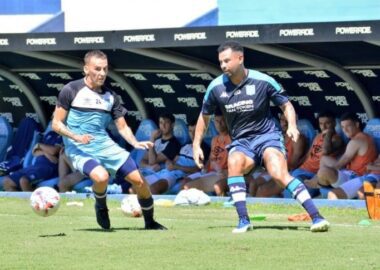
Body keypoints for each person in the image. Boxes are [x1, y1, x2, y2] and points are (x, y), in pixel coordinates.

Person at [192, 41, 329, 233]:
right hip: (241, 142)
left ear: (240, 58)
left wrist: (291, 125)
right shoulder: (215, 87)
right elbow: (204, 116)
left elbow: (286, 105)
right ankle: (244, 221)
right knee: (234, 162)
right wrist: (197, 144)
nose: (223, 66)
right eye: (220, 62)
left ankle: (317, 217)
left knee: (278, 173)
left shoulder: (263, 81)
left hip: (267, 137)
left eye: (227, 61)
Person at [52, 50, 166, 230]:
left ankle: (150, 222)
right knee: (101, 177)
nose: (102, 73)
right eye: (97, 69)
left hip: (105, 145)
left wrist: (135, 142)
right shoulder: (71, 90)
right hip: (78, 147)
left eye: (105, 69)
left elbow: (122, 127)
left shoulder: (111, 96)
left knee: (140, 182)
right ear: (86, 69)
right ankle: (101, 205)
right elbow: (56, 124)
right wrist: (75, 137)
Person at [306, 112, 378, 192]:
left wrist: (318, 177)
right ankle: (320, 181)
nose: (345, 130)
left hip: (355, 176)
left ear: (357, 125)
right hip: (351, 171)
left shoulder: (356, 141)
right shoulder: (365, 136)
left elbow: (339, 165)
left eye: (348, 126)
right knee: (324, 159)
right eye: (343, 127)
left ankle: (319, 183)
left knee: (324, 172)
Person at [285, 111, 345, 197]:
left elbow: (325, 150)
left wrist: (329, 133)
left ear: (334, 123)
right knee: (289, 185)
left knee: (298, 189)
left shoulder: (337, 140)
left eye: (327, 123)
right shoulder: (317, 136)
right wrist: (294, 168)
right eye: (321, 124)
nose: (323, 127)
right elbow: (307, 156)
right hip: (302, 171)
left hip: (316, 175)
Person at [143, 118, 210, 194]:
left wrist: (177, 167)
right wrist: (168, 162)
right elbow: (174, 160)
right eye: (190, 131)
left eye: (195, 131)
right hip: (166, 171)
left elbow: (198, 169)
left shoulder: (204, 148)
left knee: (154, 189)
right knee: (136, 187)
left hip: (178, 174)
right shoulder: (185, 145)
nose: (192, 134)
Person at [248, 113, 308, 197]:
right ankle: (252, 209)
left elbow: (294, 164)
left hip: (287, 172)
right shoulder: (279, 136)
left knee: (262, 191)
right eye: (282, 120)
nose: (284, 123)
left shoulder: (297, 138)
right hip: (275, 170)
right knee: (253, 184)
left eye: (286, 120)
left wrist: (275, 165)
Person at [181, 114, 231, 195]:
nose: (219, 123)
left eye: (222, 121)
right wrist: (205, 168)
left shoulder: (232, 138)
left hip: (222, 173)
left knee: (189, 187)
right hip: (211, 171)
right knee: (185, 183)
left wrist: (227, 171)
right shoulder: (214, 139)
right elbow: (211, 159)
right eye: (217, 121)